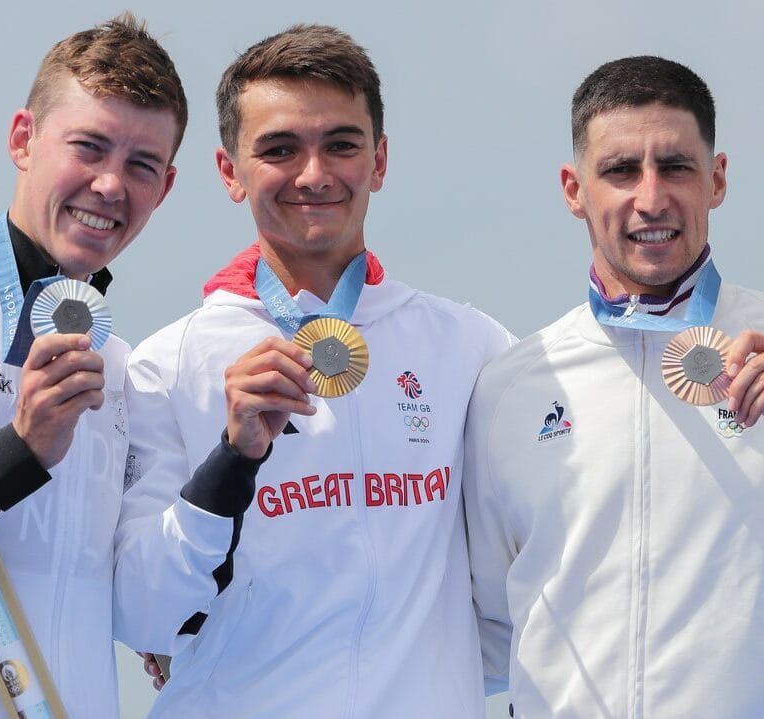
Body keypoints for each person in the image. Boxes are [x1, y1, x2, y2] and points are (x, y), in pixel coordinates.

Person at [112, 24, 516, 718]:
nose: (314, 174)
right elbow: (146, 615)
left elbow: (530, 569)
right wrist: (231, 460)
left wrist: (435, 678)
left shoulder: (469, 347)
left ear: (380, 160)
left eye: (341, 144)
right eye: (279, 149)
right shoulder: (167, 366)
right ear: (229, 171)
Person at [464, 55, 764, 718]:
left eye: (675, 165)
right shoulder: (510, 387)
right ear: (573, 188)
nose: (651, 197)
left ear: (718, 178)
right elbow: (491, 624)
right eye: (621, 170)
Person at [0, 14, 186, 717]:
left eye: (142, 164)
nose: (112, 185)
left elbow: (121, 581)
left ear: (166, 187)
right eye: (89, 146)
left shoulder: (121, 368)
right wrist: (18, 452)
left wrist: (179, 625)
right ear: (24, 139)